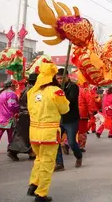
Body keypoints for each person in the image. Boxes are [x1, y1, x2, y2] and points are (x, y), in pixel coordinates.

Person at [26, 62, 70, 202]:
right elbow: (65, 110)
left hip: (34, 133)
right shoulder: (55, 92)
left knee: (39, 159)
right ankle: (41, 194)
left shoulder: (31, 92)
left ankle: (33, 184)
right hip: (49, 134)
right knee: (47, 163)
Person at [55, 68, 82, 171]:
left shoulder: (73, 87)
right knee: (56, 141)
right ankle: (59, 163)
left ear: (67, 76)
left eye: (62, 78)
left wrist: (61, 96)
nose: (60, 80)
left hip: (71, 119)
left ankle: (78, 156)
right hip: (59, 119)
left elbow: (70, 101)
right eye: (58, 78)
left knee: (71, 142)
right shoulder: (56, 87)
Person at [8, 73, 38, 161]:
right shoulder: (32, 90)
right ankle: (16, 151)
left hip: (23, 114)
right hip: (28, 115)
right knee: (27, 135)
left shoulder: (25, 89)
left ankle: (30, 153)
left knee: (21, 135)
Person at [0, 79, 19, 155]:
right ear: (12, 85)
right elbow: (12, 106)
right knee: (11, 136)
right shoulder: (11, 94)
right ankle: (11, 150)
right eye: (15, 85)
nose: (16, 87)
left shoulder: (2, 93)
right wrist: (20, 108)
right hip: (8, 120)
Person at [78, 82, 97, 152]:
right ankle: (80, 146)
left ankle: (67, 142)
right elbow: (90, 102)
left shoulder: (71, 89)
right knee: (82, 130)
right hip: (83, 113)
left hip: (71, 113)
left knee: (72, 130)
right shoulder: (85, 91)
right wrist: (93, 111)